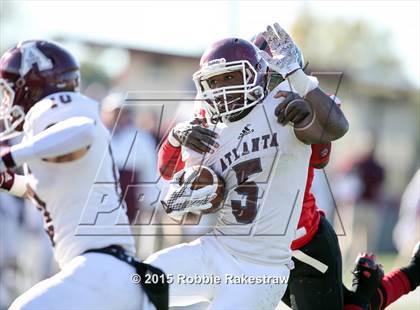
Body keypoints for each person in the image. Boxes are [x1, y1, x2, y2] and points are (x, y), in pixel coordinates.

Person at [146, 23, 348, 309]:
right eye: (215, 82)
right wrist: (181, 146)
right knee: (138, 283)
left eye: (231, 78)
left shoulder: (286, 104)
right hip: (217, 248)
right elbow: (180, 181)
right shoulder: (206, 121)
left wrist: (301, 94)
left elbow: (332, 134)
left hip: (267, 263)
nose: (223, 91)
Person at [0, 40, 167, 310]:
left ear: (30, 86)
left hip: (101, 267)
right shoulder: (48, 137)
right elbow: (38, 190)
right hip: (103, 271)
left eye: (9, 91)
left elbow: (83, 130)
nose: (6, 102)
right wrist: (7, 180)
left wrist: (9, 157)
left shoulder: (64, 109)